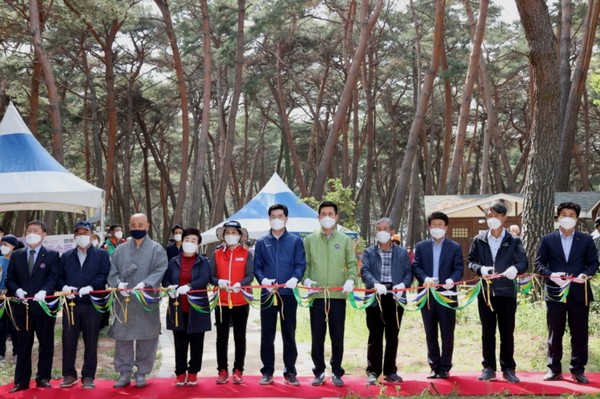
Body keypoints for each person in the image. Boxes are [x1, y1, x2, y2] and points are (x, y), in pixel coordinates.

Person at [535, 202, 599, 384]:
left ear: (577, 218)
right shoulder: (548, 239)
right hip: (555, 292)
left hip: (579, 292)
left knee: (579, 333)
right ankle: (554, 369)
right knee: (555, 332)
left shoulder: (586, 239)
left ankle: (578, 370)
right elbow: (539, 264)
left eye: (572, 214)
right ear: (558, 217)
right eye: (564, 214)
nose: (567, 218)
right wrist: (551, 275)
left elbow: (594, 263)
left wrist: (585, 275)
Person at [467, 202, 528, 383]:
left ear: (504, 218)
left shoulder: (513, 240)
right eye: (489, 215)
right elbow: (470, 261)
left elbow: (524, 263)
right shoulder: (479, 239)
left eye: (496, 215)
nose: (492, 219)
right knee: (487, 332)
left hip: (507, 292)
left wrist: (515, 269)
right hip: (485, 293)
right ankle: (488, 367)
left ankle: (508, 368)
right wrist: (481, 269)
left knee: (506, 332)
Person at [107, 213, 168, 388]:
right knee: (123, 338)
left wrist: (146, 283)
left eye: (141, 225)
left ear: (147, 226)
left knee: (147, 337)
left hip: (146, 299)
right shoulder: (120, 249)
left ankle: (141, 372)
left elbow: (161, 268)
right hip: (124, 301)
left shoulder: (157, 249)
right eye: (133, 225)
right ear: (129, 226)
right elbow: (112, 271)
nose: (137, 228)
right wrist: (118, 285)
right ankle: (124, 372)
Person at [303, 201, 358, 387]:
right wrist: (307, 281)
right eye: (323, 213)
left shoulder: (345, 240)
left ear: (336, 217)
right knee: (317, 335)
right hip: (317, 296)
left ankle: (337, 371)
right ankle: (318, 371)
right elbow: (306, 266)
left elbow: (352, 265)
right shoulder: (309, 240)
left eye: (330, 213)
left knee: (337, 335)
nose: (327, 217)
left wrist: (351, 280)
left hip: (337, 295)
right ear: (318, 217)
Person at [253, 204, 306, 386]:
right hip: (268, 294)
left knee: (288, 333)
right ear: (269, 219)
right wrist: (263, 280)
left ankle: (290, 371)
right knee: (267, 334)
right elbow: (257, 267)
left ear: (286, 218)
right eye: (273, 216)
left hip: (288, 293)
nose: (277, 219)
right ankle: (267, 371)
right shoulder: (261, 242)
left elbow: (300, 264)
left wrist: (295, 278)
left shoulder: (295, 240)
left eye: (280, 216)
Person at [6, 220, 60, 393]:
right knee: (22, 345)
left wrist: (44, 291)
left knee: (46, 344)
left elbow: (53, 278)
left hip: (43, 307)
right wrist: (17, 290)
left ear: (44, 235)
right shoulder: (16, 255)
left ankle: (43, 378)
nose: (31, 233)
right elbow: (10, 279)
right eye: (29, 230)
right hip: (23, 308)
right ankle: (21, 380)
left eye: (35, 230)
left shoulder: (52, 255)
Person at [57, 221, 110, 389]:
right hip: (71, 304)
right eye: (78, 233)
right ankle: (69, 374)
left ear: (92, 235)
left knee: (91, 340)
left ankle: (88, 375)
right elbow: (58, 277)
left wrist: (92, 286)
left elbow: (104, 274)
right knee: (68, 340)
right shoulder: (66, 256)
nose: (81, 236)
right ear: (74, 236)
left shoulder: (101, 255)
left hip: (92, 304)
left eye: (85, 233)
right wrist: (64, 287)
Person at [360, 217, 413, 385]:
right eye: (378, 228)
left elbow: (408, 273)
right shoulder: (369, 252)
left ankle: (390, 371)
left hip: (395, 296)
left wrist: (402, 285)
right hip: (375, 295)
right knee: (375, 334)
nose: (382, 231)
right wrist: (374, 283)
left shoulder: (402, 252)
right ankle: (373, 371)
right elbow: (365, 270)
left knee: (392, 334)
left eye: (385, 228)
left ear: (392, 231)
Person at [412, 212, 463, 380]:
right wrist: (424, 278)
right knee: (430, 331)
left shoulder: (454, 247)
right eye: (434, 225)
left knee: (447, 332)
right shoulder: (421, 246)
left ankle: (445, 367)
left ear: (446, 227)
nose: (437, 228)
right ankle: (434, 366)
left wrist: (451, 279)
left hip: (447, 295)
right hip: (427, 294)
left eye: (440, 225)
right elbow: (416, 266)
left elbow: (459, 269)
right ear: (429, 227)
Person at [162, 227, 211, 386]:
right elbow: (166, 280)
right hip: (177, 307)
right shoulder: (174, 261)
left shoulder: (203, 262)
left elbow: (204, 278)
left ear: (198, 244)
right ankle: (180, 372)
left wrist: (190, 286)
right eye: (187, 240)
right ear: (182, 242)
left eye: (194, 241)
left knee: (197, 342)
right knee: (180, 342)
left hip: (196, 308)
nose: (190, 243)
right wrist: (169, 288)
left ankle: (193, 372)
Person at [209, 220, 254, 385]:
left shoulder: (247, 254)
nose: (231, 236)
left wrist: (240, 284)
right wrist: (218, 282)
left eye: (234, 233)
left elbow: (250, 274)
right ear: (223, 236)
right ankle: (222, 370)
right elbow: (211, 276)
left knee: (240, 337)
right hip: (221, 302)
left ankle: (238, 370)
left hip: (241, 301)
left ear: (240, 236)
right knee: (221, 337)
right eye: (228, 232)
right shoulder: (216, 254)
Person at [0, 234, 19, 362]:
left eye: (6, 245)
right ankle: (0, 353)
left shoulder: (18, 260)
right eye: (1, 244)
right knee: (0, 327)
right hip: (0, 298)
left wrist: (10, 289)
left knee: (15, 326)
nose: (3, 247)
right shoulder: (0, 260)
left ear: (13, 246)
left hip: (13, 298)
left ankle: (17, 352)